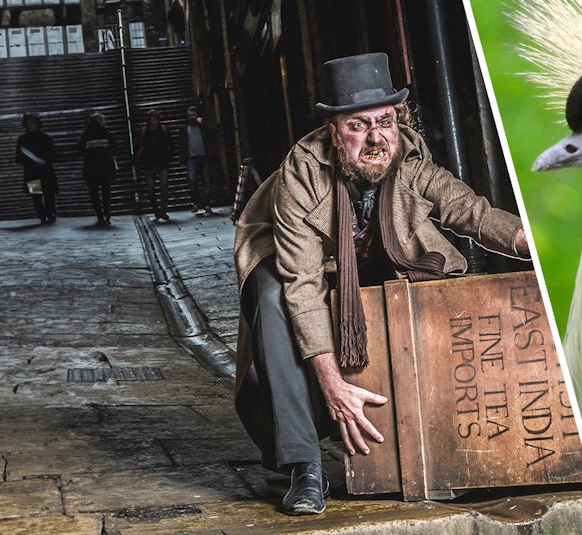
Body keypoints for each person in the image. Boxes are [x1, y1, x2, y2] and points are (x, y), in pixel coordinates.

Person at [233, 52, 530, 515]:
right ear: (334, 132)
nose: (376, 137)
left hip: (368, 261)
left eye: (385, 121)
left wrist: (527, 240)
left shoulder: (408, 159)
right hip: (289, 263)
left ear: (398, 120)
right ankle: (304, 465)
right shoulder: (302, 172)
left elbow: (469, 210)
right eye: (358, 125)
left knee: (416, 291)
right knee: (275, 301)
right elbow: (303, 286)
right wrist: (332, 384)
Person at [14, 113, 58, 225]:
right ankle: (43, 216)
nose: (30, 126)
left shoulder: (44, 138)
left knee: (49, 194)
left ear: (36, 123)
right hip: (32, 173)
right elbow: (19, 157)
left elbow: (53, 154)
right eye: (28, 124)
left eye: (32, 123)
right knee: (36, 196)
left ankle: (50, 214)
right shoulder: (22, 139)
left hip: (43, 171)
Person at [78, 112, 117, 226]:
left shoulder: (85, 134)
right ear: (99, 121)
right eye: (102, 120)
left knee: (94, 194)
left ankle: (100, 216)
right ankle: (107, 214)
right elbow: (115, 149)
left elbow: (80, 150)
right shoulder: (106, 133)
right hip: (105, 168)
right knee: (106, 193)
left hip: (91, 169)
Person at [180, 104, 215, 215]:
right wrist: (182, 159)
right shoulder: (185, 128)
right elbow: (182, 144)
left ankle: (207, 204)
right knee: (192, 180)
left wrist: (202, 123)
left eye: (193, 115)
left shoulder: (202, 125)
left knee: (207, 182)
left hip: (204, 157)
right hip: (191, 158)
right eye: (190, 115)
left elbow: (213, 131)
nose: (192, 117)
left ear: (197, 115)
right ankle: (196, 202)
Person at [137, 109, 173, 220]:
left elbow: (170, 143)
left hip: (162, 162)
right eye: (152, 120)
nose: (154, 122)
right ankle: (156, 210)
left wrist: (169, 156)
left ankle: (163, 211)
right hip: (149, 163)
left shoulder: (163, 129)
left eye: (156, 120)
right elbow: (139, 144)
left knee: (164, 187)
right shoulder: (144, 130)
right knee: (150, 189)